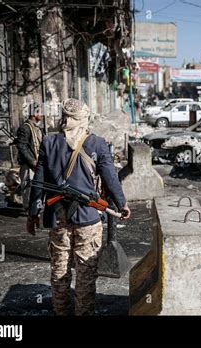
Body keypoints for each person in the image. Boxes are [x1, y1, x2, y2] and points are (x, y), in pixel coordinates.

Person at [27, 98, 131, 315]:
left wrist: (33, 213)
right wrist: (122, 204)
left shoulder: (49, 142)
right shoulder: (97, 144)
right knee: (85, 273)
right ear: (83, 118)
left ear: (64, 118)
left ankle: (61, 312)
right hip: (88, 218)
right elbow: (111, 179)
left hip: (57, 218)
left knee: (59, 271)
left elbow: (37, 182)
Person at [16, 102, 44, 210]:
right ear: (34, 113)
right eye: (40, 112)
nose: (42, 115)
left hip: (38, 162)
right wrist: (32, 161)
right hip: (29, 164)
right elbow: (22, 146)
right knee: (27, 187)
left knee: (37, 186)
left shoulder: (37, 128)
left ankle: (36, 207)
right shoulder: (25, 128)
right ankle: (28, 210)